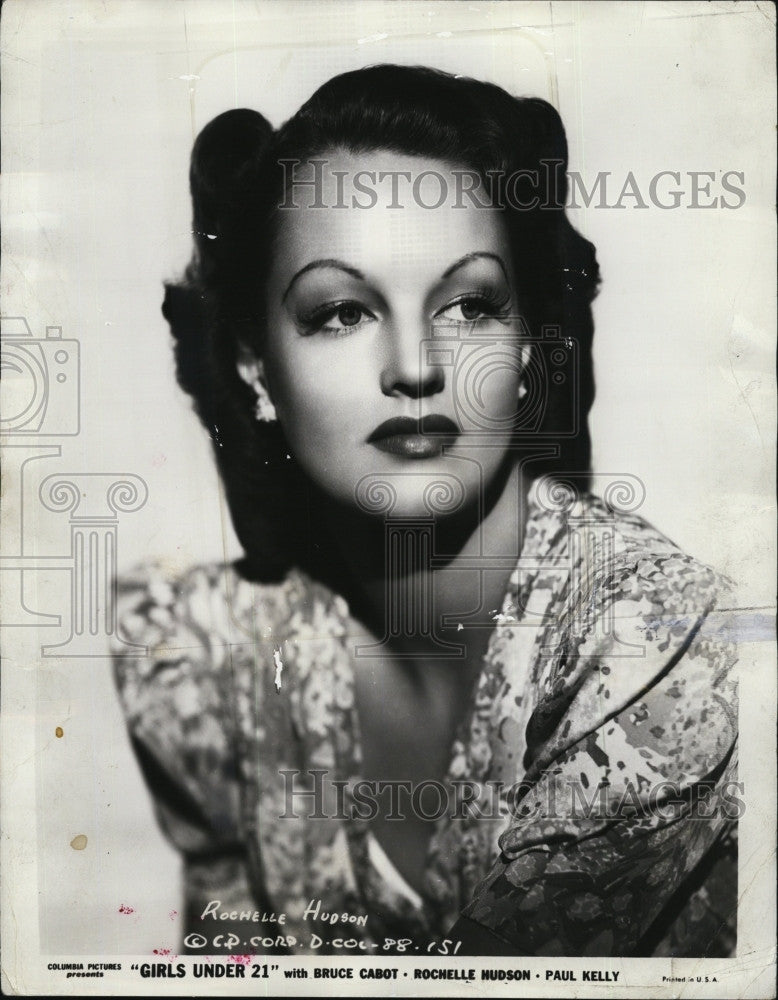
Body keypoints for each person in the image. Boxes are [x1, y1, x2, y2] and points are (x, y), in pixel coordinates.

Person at [112, 65, 738, 957]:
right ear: (255, 368)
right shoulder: (226, 659)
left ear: (525, 346)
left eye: (471, 303)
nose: (417, 365)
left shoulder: (657, 637)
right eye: (340, 312)